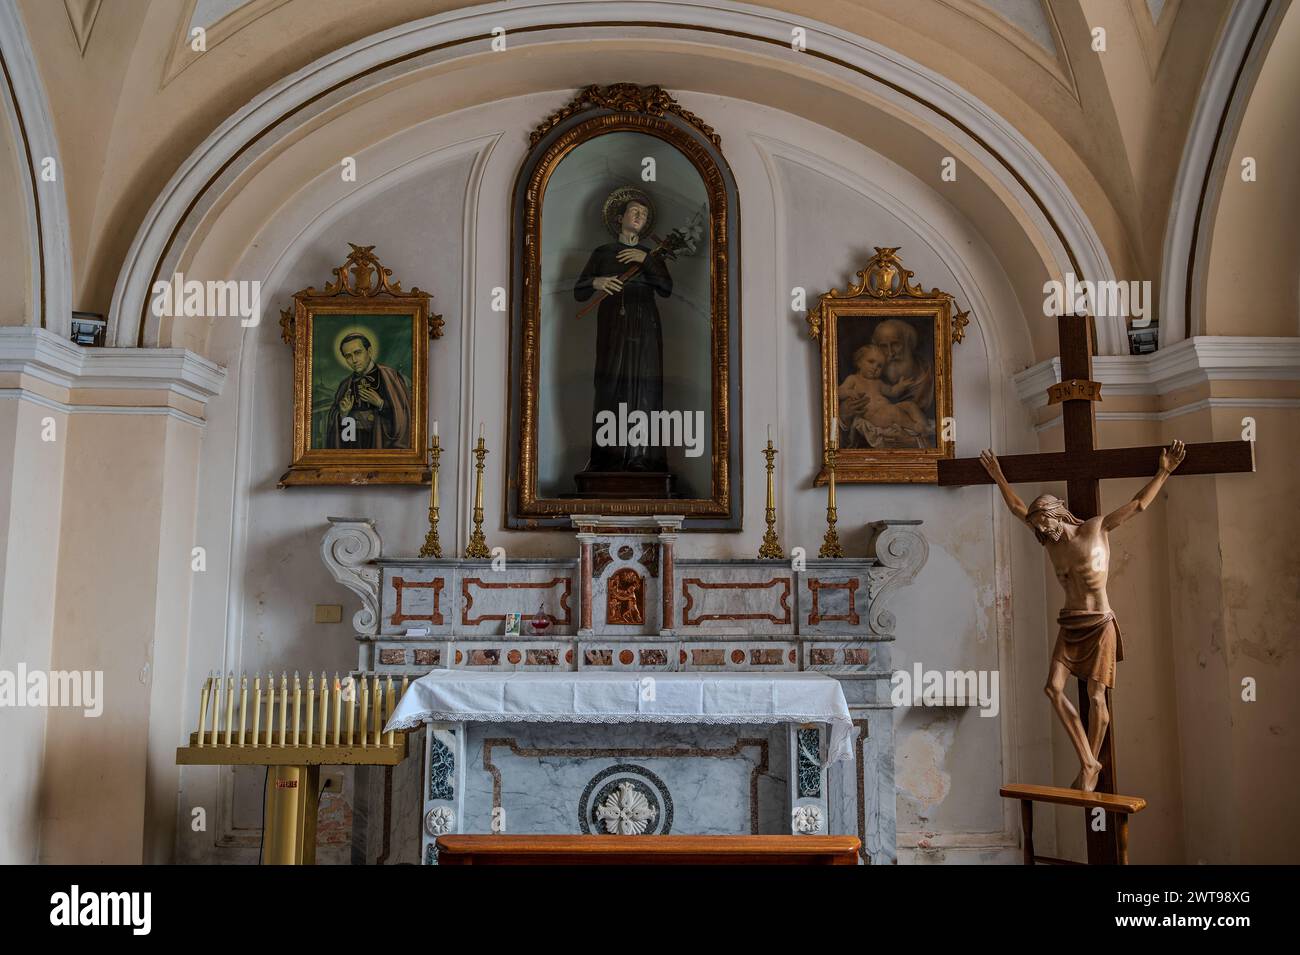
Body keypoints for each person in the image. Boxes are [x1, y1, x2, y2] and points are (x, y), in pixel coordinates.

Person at [979, 440, 1186, 791]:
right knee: (1052, 688)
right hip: (1070, 623)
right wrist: (998, 475)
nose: (1041, 530)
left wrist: (1164, 470)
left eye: (1043, 521)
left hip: (1099, 621)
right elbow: (1016, 508)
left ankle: (1090, 765)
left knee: (1095, 697)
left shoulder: (1097, 529)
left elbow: (1137, 505)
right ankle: (1090, 761)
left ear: (1057, 513)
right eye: (1037, 526)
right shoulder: (1049, 541)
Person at [574, 187, 673, 472]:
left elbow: (666, 288)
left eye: (643, 213)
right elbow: (579, 292)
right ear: (620, 218)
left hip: (645, 325)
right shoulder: (602, 253)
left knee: (645, 386)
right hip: (613, 324)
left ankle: (642, 456)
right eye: (634, 211)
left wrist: (647, 260)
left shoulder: (651, 255)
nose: (640, 215)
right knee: (611, 382)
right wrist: (597, 283)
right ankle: (608, 457)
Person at [324, 332, 412, 449]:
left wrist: (381, 404)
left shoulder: (391, 377)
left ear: (369, 351)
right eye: (348, 356)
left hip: (381, 444)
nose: (354, 360)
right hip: (354, 447)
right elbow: (332, 423)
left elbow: (404, 414)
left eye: (357, 353)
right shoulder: (345, 385)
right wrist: (342, 414)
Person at [837, 343, 931, 447]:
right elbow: (839, 391)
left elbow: (892, 391)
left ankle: (924, 424)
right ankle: (914, 427)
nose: (875, 368)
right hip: (875, 417)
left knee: (909, 405)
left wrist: (900, 386)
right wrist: (849, 392)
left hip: (887, 410)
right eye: (871, 362)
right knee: (892, 411)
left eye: (879, 366)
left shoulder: (878, 382)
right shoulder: (853, 379)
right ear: (859, 362)